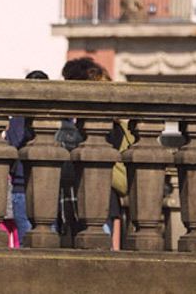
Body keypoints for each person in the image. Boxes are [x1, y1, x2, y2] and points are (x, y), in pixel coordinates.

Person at [62, 56, 134, 251]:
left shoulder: (95, 126)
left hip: (96, 199)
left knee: (100, 252)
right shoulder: (113, 123)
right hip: (104, 201)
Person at [3, 69, 49, 247]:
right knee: (47, 243)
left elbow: (11, 147)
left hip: (22, 186)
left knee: (26, 242)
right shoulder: (57, 117)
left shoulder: (18, 119)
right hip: (47, 187)